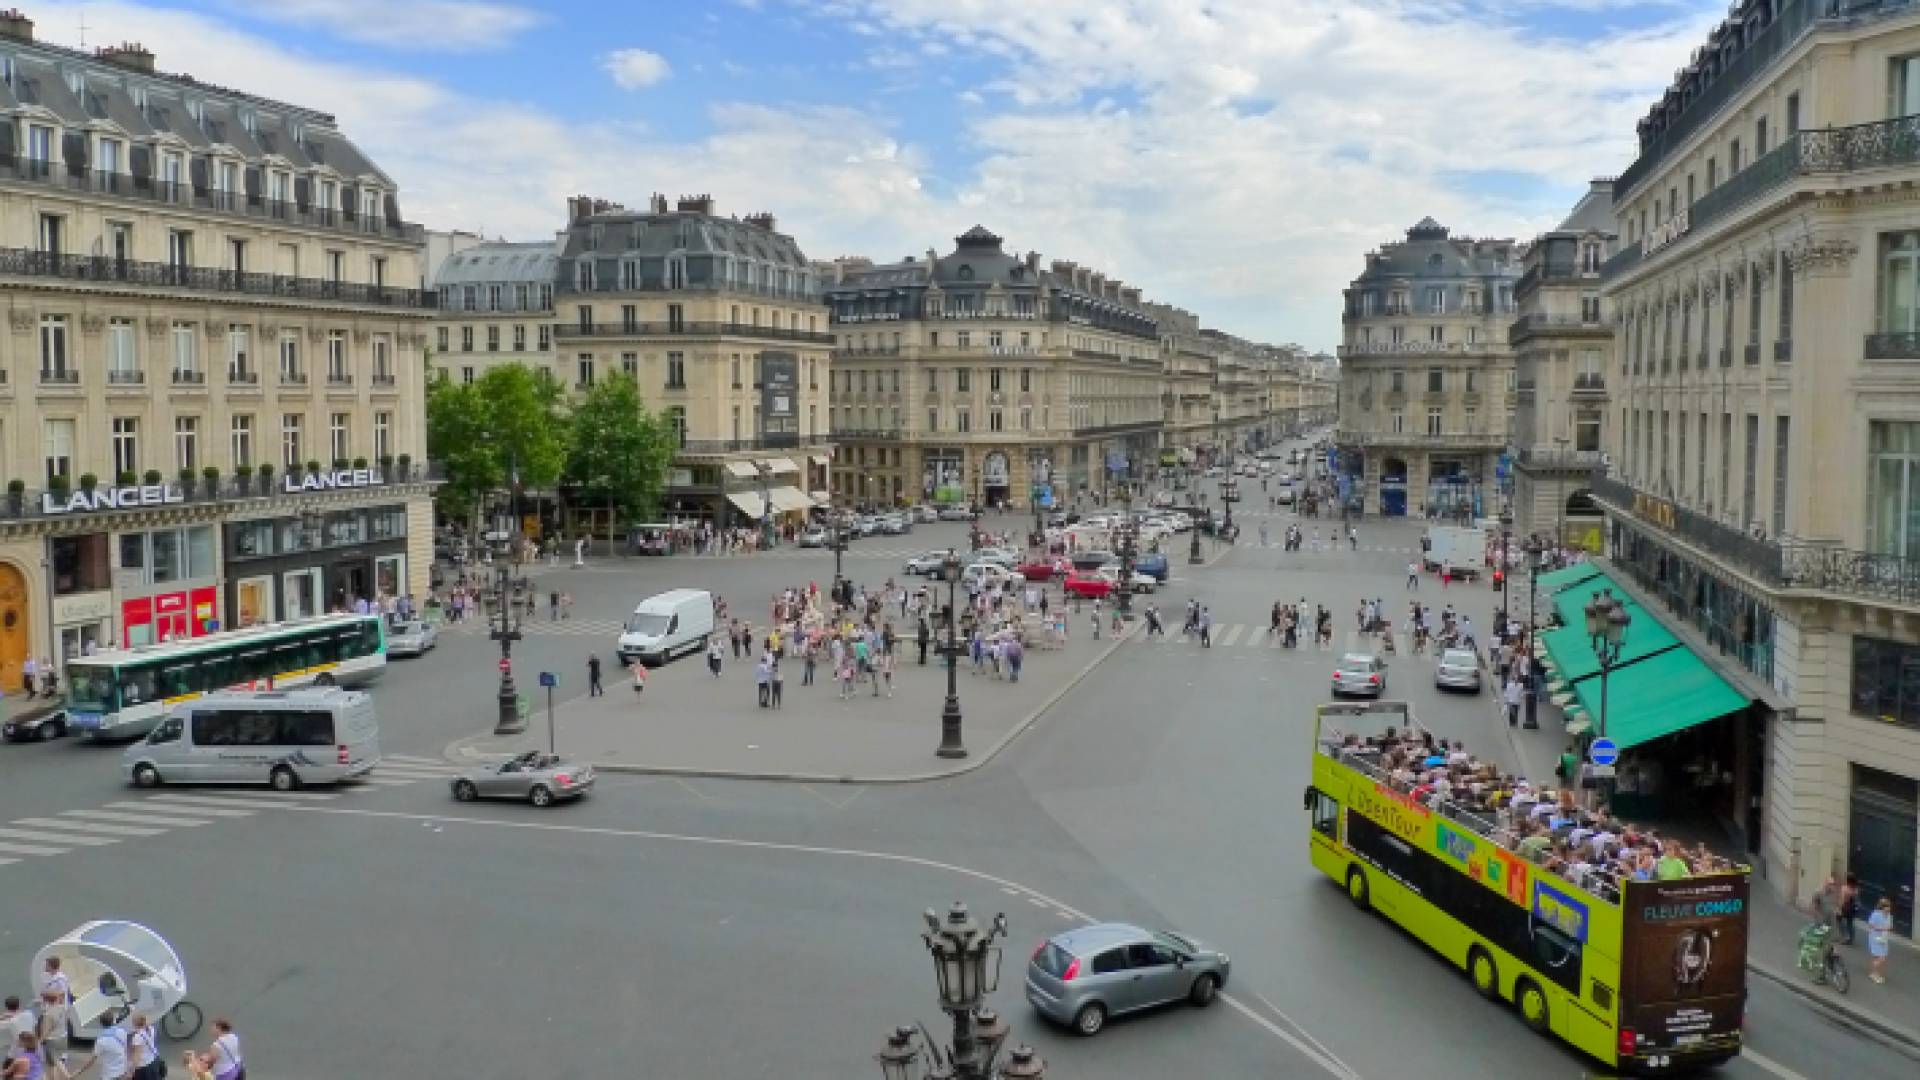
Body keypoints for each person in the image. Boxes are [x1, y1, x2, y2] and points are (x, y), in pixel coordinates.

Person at [89, 1015, 128, 1080]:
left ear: (101, 1024)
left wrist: (78, 1072)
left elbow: (92, 1060)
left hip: (109, 1074)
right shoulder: (122, 1031)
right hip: (122, 1070)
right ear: (113, 1021)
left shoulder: (101, 1040)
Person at [126, 1015, 159, 1080]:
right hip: (153, 1061)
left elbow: (137, 1056)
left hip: (143, 1067)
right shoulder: (151, 1029)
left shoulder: (137, 1037)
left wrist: (131, 1071)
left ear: (134, 1023)